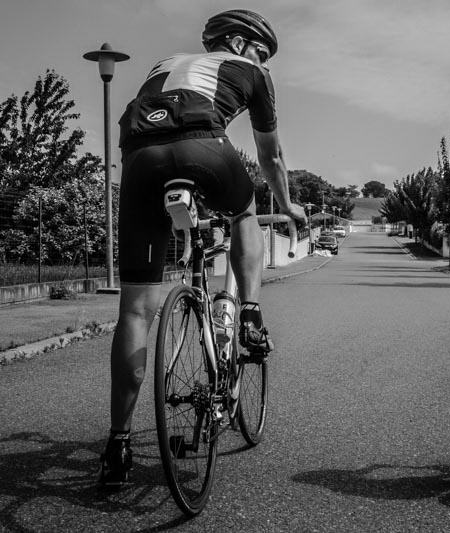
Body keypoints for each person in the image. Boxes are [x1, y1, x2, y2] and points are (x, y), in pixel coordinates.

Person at [98, 9, 306, 487]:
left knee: (134, 313)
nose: (264, 60)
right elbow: (270, 154)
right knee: (246, 212)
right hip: (203, 148)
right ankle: (250, 315)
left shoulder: (165, 62)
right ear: (237, 42)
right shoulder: (253, 73)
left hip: (140, 161)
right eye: (261, 50)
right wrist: (290, 205)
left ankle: (118, 447)